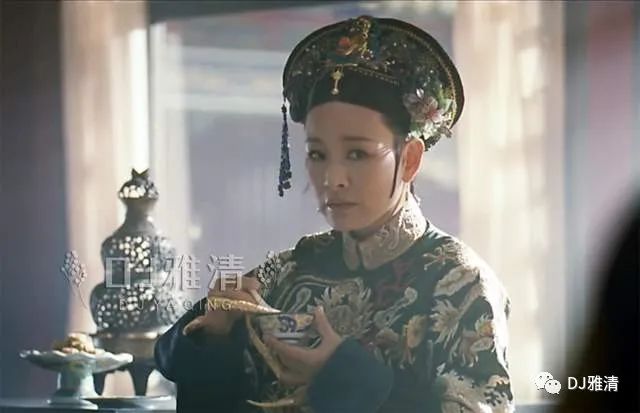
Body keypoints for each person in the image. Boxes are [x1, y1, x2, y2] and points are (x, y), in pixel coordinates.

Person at [155, 15, 514, 413]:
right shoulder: (287, 272)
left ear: (410, 159)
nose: (332, 178)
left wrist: (346, 378)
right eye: (317, 154)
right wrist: (216, 337)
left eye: (358, 153)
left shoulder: (460, 283)